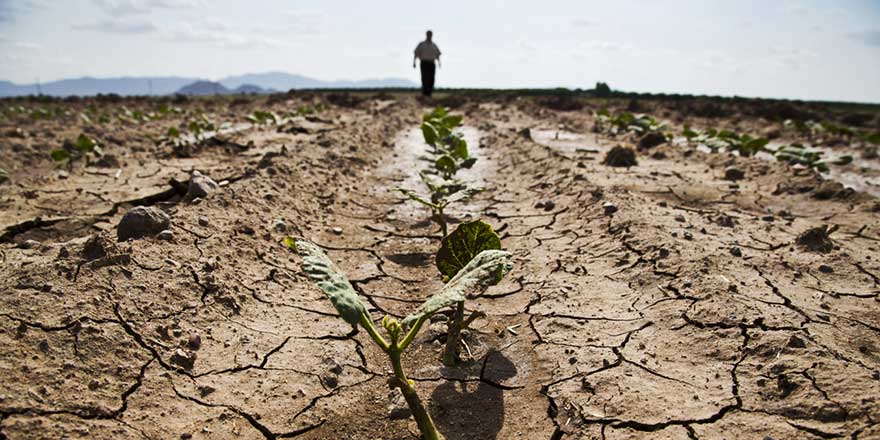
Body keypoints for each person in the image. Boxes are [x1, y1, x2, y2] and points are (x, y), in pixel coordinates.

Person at [413, 30, 441, 97]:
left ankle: (429, 94)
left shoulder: (434, 45)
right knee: (425, 78)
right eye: (428, 34)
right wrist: (414, 62)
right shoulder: (422, 44)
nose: (429, 36)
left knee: (431, 79)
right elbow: (416, 53)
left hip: (432, 63)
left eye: (430, 34)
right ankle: (424, 93)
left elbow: (437, 55)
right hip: (424, 63)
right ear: (426, 35)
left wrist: (439, 62)